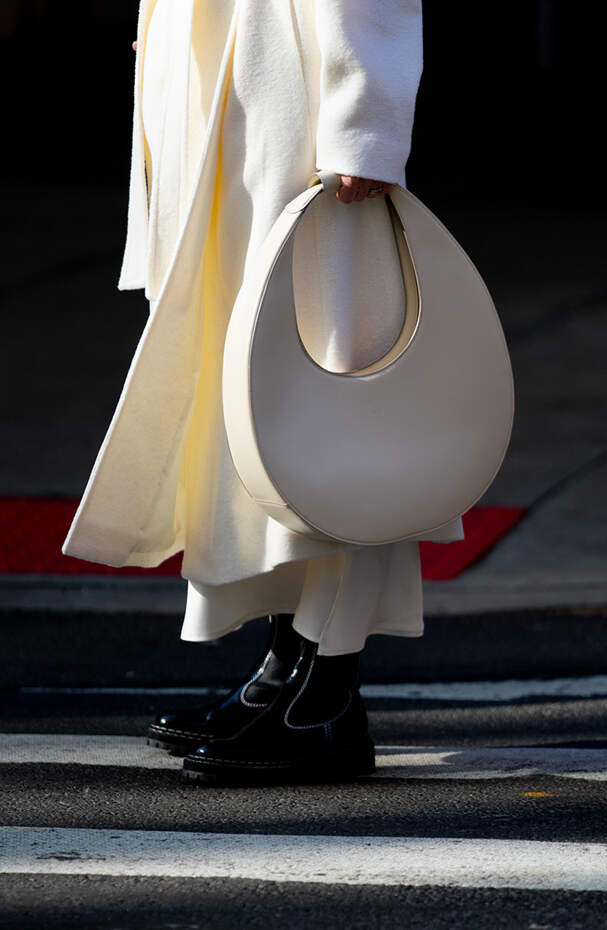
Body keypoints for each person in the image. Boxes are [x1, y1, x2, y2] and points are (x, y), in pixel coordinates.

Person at [63, 0, 463, 784]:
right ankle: (287, 666)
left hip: (290, 61)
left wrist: (365, 118)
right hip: (227, 56)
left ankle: (328, 689)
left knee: (330, 382)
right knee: (246, 391)